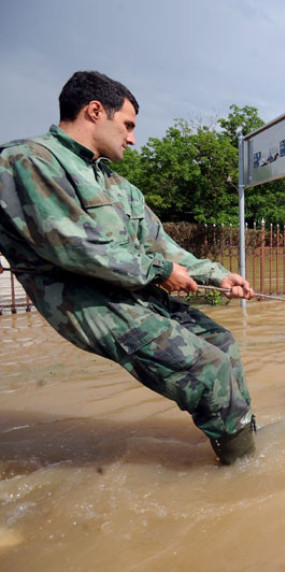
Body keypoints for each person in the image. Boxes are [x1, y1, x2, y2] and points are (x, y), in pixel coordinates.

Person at [0, 71, 256, 465]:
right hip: (87, 298)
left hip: (136, 291)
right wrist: (159, 270)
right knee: (208, 370)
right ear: (95, 110)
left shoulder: (119, 186)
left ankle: (243, 438)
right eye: (128, 125)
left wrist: (216, 275)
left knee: (224, 345)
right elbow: (77, 248)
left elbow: (163, 247)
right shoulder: (28, 161)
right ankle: (243, 472)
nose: (133, 138)